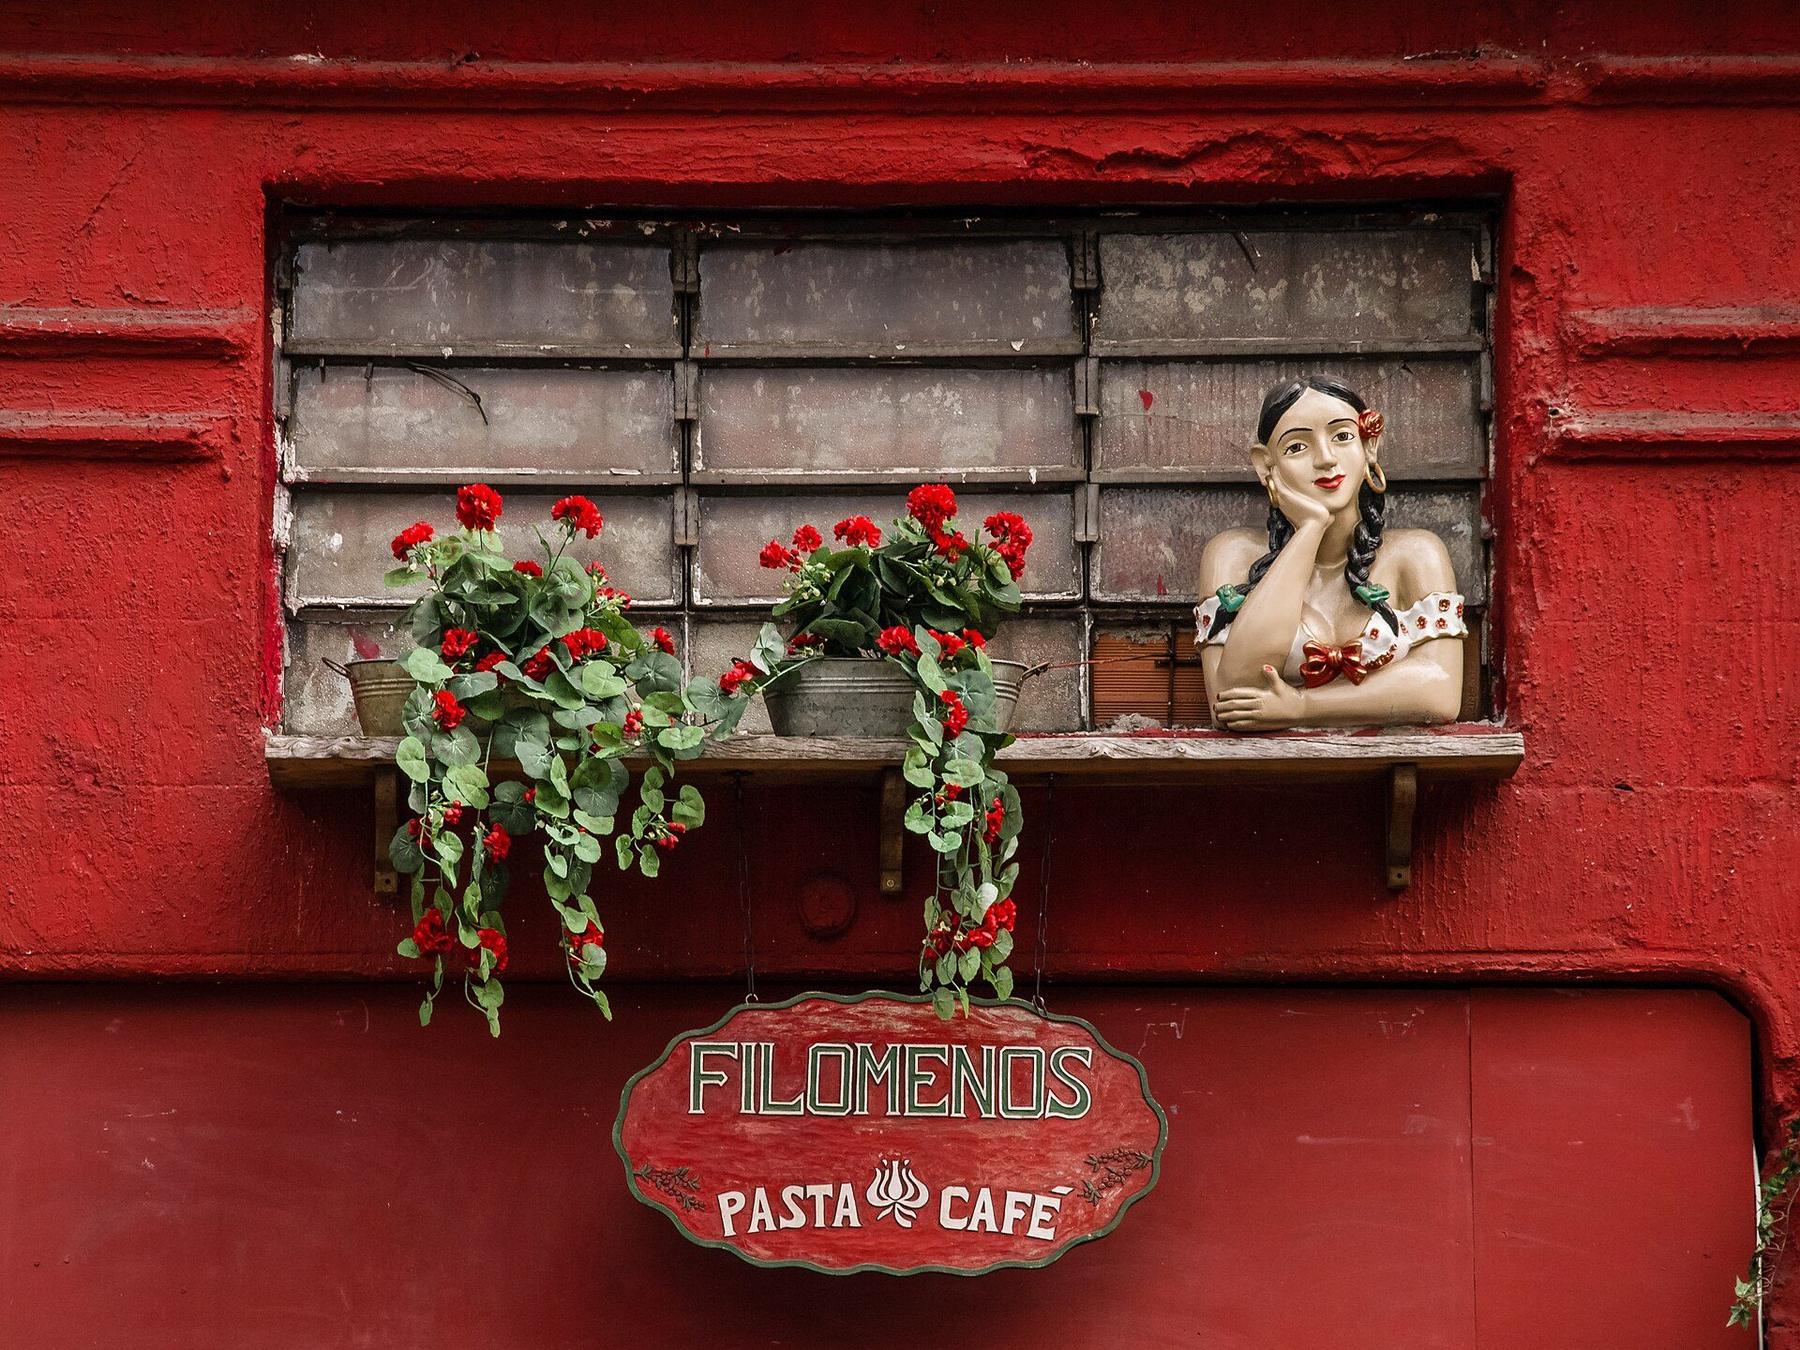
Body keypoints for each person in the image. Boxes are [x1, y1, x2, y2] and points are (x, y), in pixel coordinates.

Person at [1195, 376, 1465, 731]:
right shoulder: (1231, 555)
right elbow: (1232, 698)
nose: (1325, 459)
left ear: (1370, 446)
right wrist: (1310, 528)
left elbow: (1441, 692)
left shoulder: (1417, 555)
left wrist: (1303, 706)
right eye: (1297, 447)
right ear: (1265, 465)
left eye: (1342, 437)